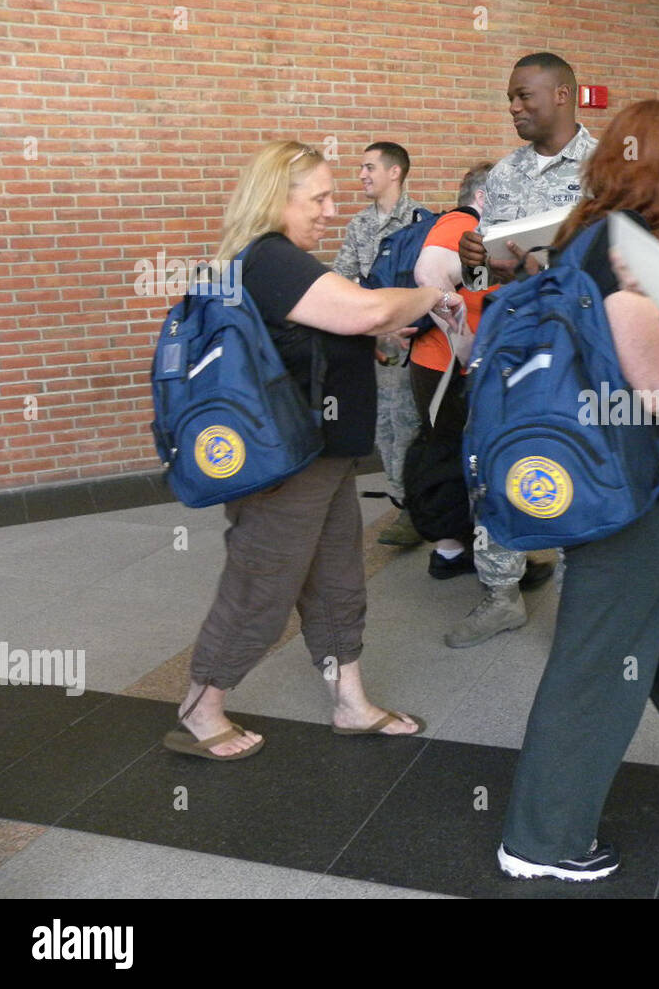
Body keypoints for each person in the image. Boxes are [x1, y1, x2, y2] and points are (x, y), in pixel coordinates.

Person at [497, 100, 659, 881]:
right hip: (632, 489)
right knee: (595, 657)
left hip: (606, 476)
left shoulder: (585, 233)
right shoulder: (629, 250)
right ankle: (540, 838)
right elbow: (658, 391)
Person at [163, 141, 463, 760]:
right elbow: (367, 308)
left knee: (335, 584)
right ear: (276, 198)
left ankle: (350, 704)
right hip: (285, 467)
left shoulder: (284, 261)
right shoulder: (271, 259)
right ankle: (200, 708)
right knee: (261, 588)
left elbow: (325, 339)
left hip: (320, 459)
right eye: (319, 197)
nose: (332, 209)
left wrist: (376, 340)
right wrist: (430, 294)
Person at [448, 52, 594, 648]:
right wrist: (473, 258)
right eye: (509, 97)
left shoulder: (605, 170)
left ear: (562, 95)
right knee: (497, 454)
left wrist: (550, 266)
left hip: (578, 344)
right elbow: (486, 265)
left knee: (579, 458)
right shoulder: (502, 175)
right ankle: (501, 592)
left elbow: (618, 260)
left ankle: (582, 604)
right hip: (510, 341)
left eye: (524, 96)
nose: (513, 107)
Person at [405, 162, 496, 580]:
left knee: (448, 453)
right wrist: (466, 349)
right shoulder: (463, 222)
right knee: (459, 458)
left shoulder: (470, 229)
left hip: (437, 365)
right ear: (482, 197)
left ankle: (451, 551)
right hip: (449, 368)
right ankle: (464, 552)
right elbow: (430, 275)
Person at [332, 141, 423, 546]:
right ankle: (404, 504)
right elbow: (342, 277)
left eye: (370, 167)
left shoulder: (422, 221)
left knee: (410, 424)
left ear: (395, 172)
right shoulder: (359, 226)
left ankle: (420, 509)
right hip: (378, 343)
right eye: (361, 167)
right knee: (386, 425)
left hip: (419, 341)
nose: (363, 175)